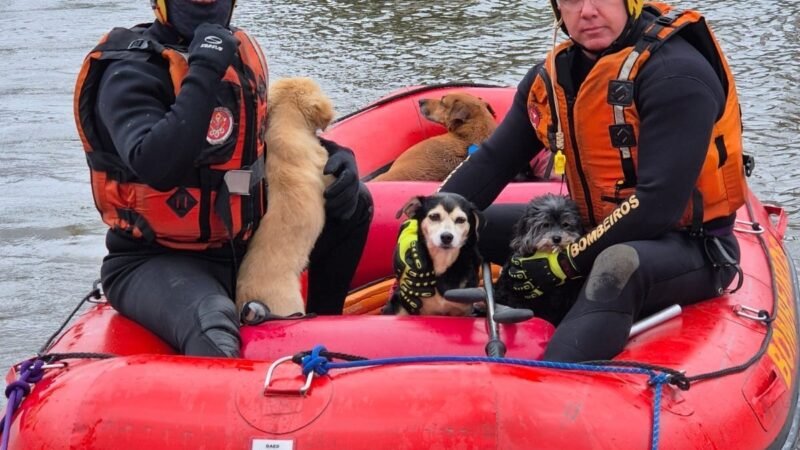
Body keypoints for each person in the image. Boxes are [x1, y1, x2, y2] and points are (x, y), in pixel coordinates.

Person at [394, 0, 747, 362]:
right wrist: (422, 220)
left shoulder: (676, 75)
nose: (587, 11)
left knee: (618, 262)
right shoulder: (552, 77)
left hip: (688, 247)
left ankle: (555, 377)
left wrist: (563, 264)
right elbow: (495, 160)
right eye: (572, 0)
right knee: (468, 225)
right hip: (591, 228)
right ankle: (417, 331)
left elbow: (659, 205)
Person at [74, 0, 373, 357]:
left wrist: (337, 155)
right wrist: (204, 69)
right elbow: (156, 165)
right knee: (212, 324)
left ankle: (323, 338)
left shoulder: (237, 52)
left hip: (240, 244)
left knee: (354, 205)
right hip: (154, 259)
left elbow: (258, 140)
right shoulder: (129, 71)